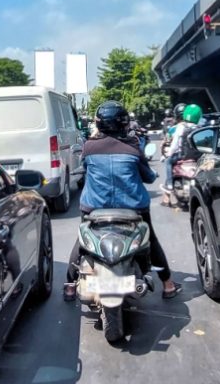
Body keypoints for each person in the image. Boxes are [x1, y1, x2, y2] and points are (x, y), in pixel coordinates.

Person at [63, 100, 181, 301]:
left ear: (99, 124)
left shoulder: (89, 147)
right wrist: (151, 174)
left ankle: (70, 287)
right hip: (133, 207)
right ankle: (168, 285)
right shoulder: (133, 147)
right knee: (150, 240)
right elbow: (148, 176)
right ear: (124, 123)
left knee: (82, 241)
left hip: (94, 207)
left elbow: (85, 168)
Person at [162, 103, 202, 207]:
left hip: (182, 156)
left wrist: (169, 154)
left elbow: (174, 144)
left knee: (168, 162)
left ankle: (169, 185)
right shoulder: (200, 127)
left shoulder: (180, 127)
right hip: (197, 158)